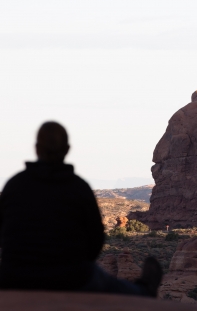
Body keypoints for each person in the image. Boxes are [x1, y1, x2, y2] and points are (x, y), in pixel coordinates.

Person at [0, 121, 162, 296]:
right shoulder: (78, 188)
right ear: (67, 149)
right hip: (70, 276)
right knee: (113, 285)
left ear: (37, 149)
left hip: (16, 276)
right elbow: (95, 241)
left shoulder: (14, 186)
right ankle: (144, 290)